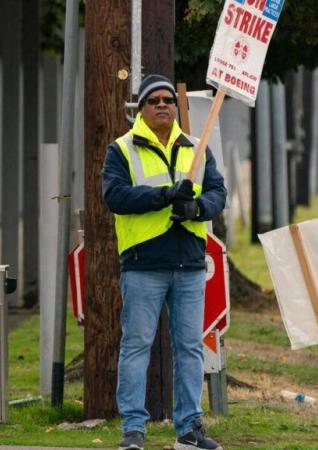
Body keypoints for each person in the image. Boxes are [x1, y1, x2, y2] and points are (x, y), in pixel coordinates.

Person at [102, 74, 227, 450]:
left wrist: (198, 207)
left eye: (168, 100)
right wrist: (166, 195)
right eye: (153, 100)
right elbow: (116, 196)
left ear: (176, 107)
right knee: (137, 345)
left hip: (189, 263)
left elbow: (219, 191)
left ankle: (189, 430)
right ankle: (133, 430)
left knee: (190, 348)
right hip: (143, 263)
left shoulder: (196, 147)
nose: (162, 105)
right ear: (140, 109)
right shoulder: (121, 150)